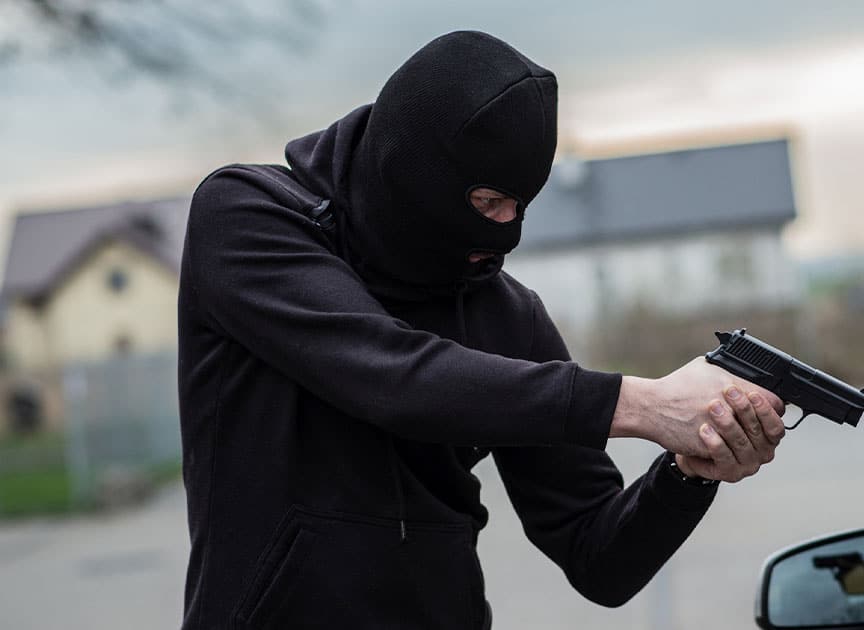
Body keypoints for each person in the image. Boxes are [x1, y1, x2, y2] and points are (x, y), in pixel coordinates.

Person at [178, 30, 786, 629]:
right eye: (488, 200)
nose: (506, 231)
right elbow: (391, 376)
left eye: (522, 205)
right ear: (412, 164)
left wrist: (686, 473)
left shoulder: (508, 315)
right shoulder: (248, 217)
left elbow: (601, 558)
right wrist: (643, 403)